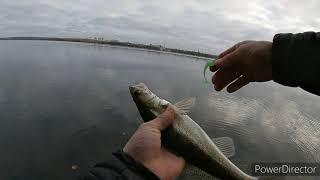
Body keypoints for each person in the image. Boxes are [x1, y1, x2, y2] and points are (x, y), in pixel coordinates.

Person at [80, 32, 320, 180]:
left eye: (137, 93)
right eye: (138, 95)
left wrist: (134, 168)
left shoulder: (162, 116)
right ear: (152, 106)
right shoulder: (166, 112)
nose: (138, 92)